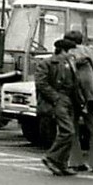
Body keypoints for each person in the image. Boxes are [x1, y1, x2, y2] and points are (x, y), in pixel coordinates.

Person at [64, 30, 93, 173]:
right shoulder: (89, 52)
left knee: (73, 128)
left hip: (72, 96)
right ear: (81, 40)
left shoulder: (64, 53)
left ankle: (75, 162)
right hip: (90, 96)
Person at [35, 38, 79, 176]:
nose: (73, 53)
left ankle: (62, 163)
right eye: (71, 51)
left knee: (68, 132)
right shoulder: (47, 63)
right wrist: (56, 98)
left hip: (69, 100)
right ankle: (51, 157)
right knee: (68, 131)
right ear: (63, 50)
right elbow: (41, 83)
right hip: (58, 100)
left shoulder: (70, 63)